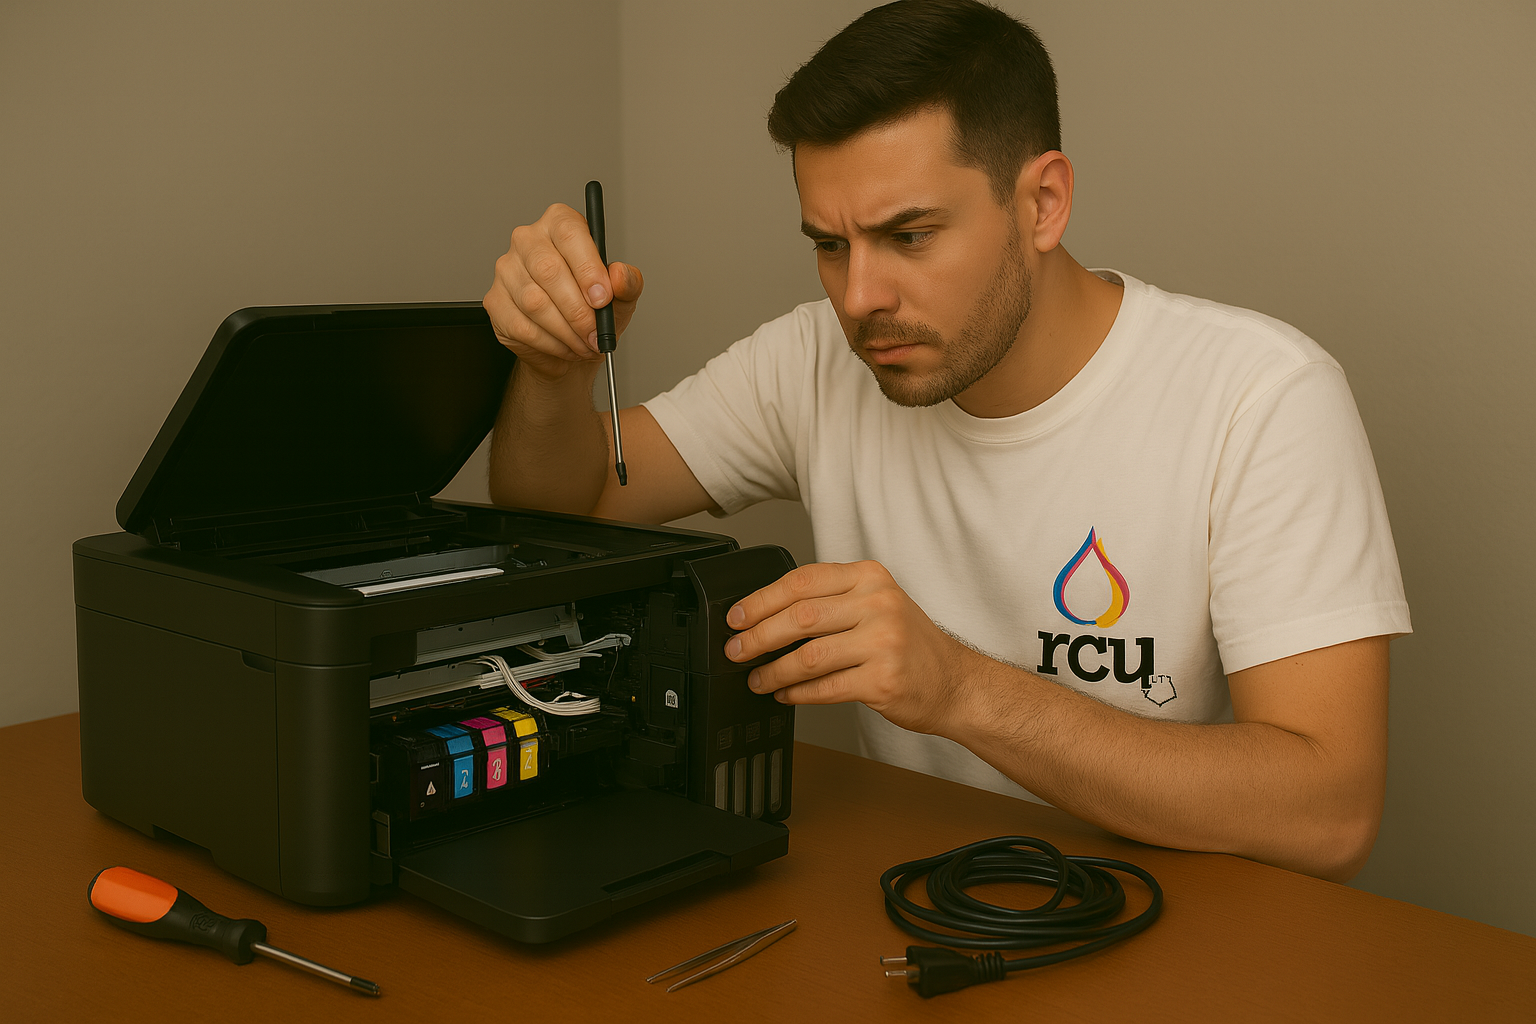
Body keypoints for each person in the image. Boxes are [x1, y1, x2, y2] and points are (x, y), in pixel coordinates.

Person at [481, 0, 1410, 882]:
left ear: (1043, 203)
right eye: (830, 245)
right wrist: (552, 369)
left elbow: (1328, 817)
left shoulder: (1258, 394)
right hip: (911, 907)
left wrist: (960, 689)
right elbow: (563, 504)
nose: (859, 298)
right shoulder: (816, 358)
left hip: (1155, 920)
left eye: (911, 234)